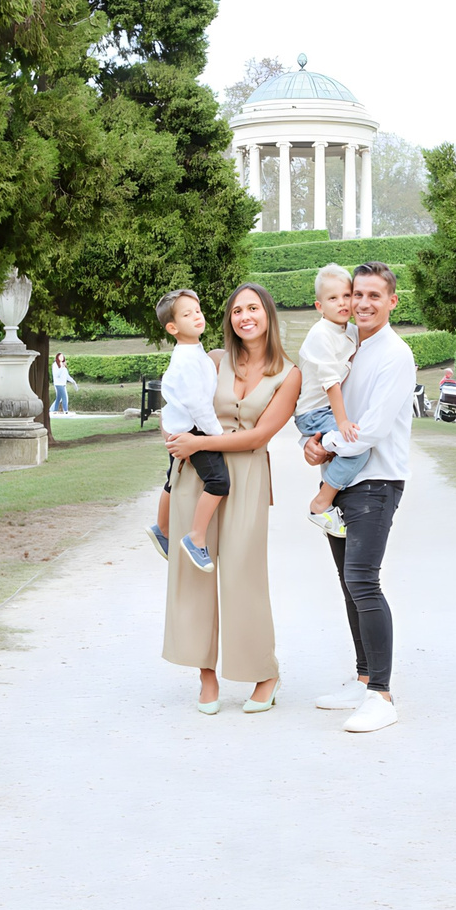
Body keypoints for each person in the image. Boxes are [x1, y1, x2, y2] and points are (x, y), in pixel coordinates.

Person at [161, 282, 300, 715]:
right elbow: (177, 400)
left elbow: (260, 435)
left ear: (267, 314)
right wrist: (173, 437)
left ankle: (265, 673)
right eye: (237, 310)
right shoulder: (214, 360)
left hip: (247, 475)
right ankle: (206, 676)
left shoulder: (289, 374)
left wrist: (199, 443)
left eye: (253, 308)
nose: (245, 317)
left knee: (244, 574)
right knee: (193, 575)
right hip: (196, 474)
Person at [303, 262, 415, 735]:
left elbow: (369, 430)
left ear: (392, 301)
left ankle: (381, 696)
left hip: (377, 482)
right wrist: (312, 444)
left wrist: (325, 444)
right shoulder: (348, 345)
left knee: (363, 582)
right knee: (350, 584)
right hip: (345, 481)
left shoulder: (395, 355)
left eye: (373, 295)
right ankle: (364, 679)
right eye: (356, 294)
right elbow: (326, 407)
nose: (362, 303)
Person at [148, 289, 228, 570]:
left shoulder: (195, 352)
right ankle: (196, 537)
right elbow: (198, 404)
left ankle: (162, 528)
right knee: (218, 481)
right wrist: (218, 436)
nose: (197, 316)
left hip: (181, 427)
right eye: (187, 314)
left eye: (197, 310)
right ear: (173, 328)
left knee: (173, 477)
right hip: (192, 431)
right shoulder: (187, 359)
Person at [293, 265, 365, 535]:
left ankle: (331, 493)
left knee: (351, 445)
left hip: (326, 410)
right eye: (333, 298)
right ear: (319, 306)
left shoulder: (350, 330)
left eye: (347, 295)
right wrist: (342, 421)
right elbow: (330, 382)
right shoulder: (321, 334)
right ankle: (321, 504)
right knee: (357, 445)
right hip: (315, 412)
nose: (342, 303)